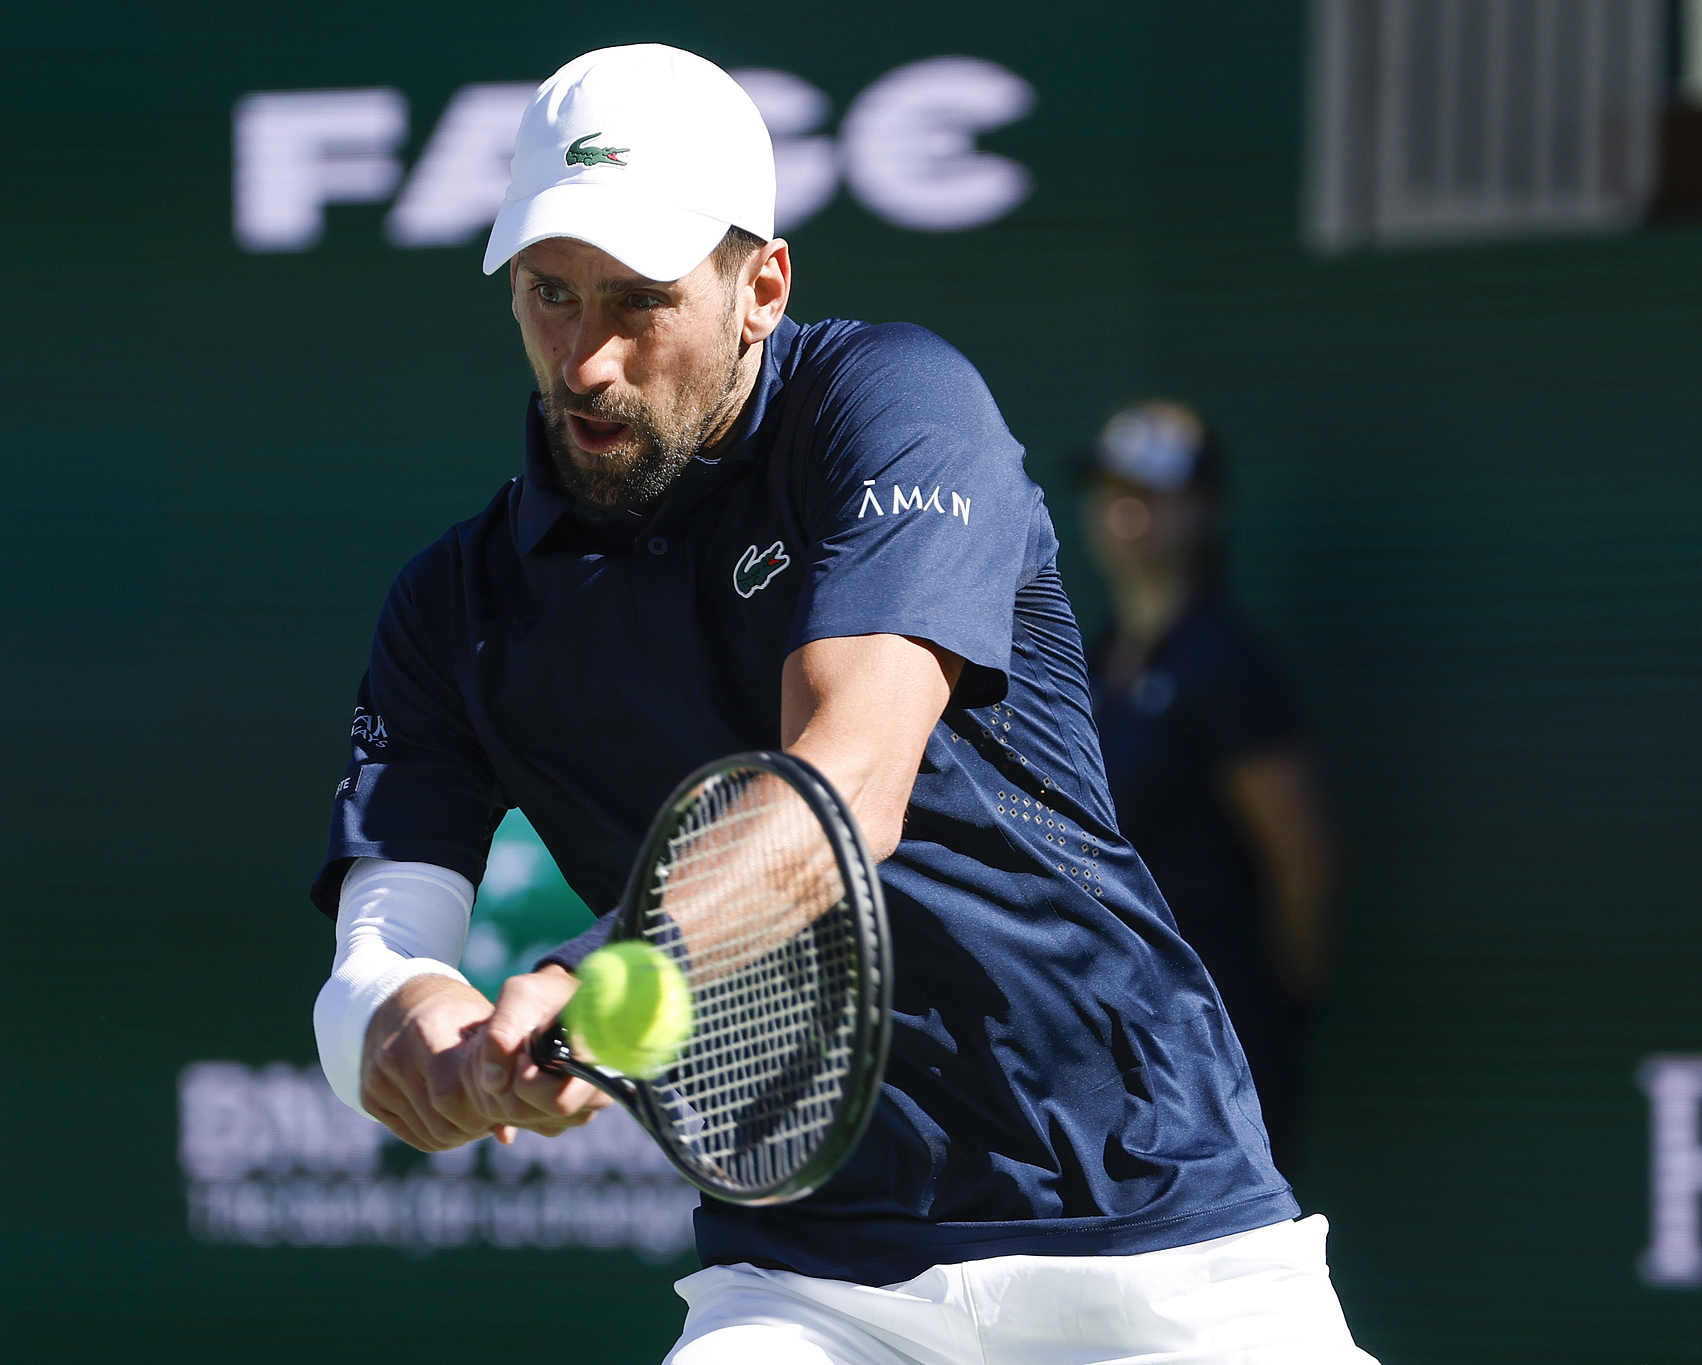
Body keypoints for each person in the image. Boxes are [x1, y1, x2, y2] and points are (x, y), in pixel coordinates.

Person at [307, 45, 1375, 1364]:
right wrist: (415, 1034)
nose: (584, 361)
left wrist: (598, 973)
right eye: (550, 293)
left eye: (639, 300)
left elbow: (843, 791)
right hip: (809, 1282)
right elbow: (375, 958)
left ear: (761, 288)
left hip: (1154, 1240)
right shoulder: (450, 607)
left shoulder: (894, 404)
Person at [1079, 402, 1336, 1174]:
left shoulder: (1229, 665)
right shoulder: (1091, 660)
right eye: (1112, 490)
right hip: (1107, 1036)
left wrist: (1278, 1014)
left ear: (1206, 510)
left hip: (1216, 1038)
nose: (1128, 514)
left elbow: (1303, 860)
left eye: (1152, 494)